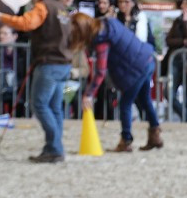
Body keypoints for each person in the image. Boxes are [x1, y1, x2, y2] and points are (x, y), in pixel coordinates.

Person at [0, 0, 72, 163]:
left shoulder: (43, 6)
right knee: (55, 107)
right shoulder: (62, 8)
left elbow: (26, 24)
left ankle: (55, 148)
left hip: (49, 63)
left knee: (39, 104)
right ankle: (54, 148)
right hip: (64, 63)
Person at [68, 13, 164, 152]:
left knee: (125, 104)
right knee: (145, 99)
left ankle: (126, 140)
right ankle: (155, 134)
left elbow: (100, 71)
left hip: (135, 67)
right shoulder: (108, 23)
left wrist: (89, 94)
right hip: (146, 59)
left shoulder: (101, 39)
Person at [0, 24, 28, 117]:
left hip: (17, 85)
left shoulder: (23, 52)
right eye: (0, 33)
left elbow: (25, 74)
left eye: (5, 33)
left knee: (20, 98)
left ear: (15, 36)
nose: (1, 36)